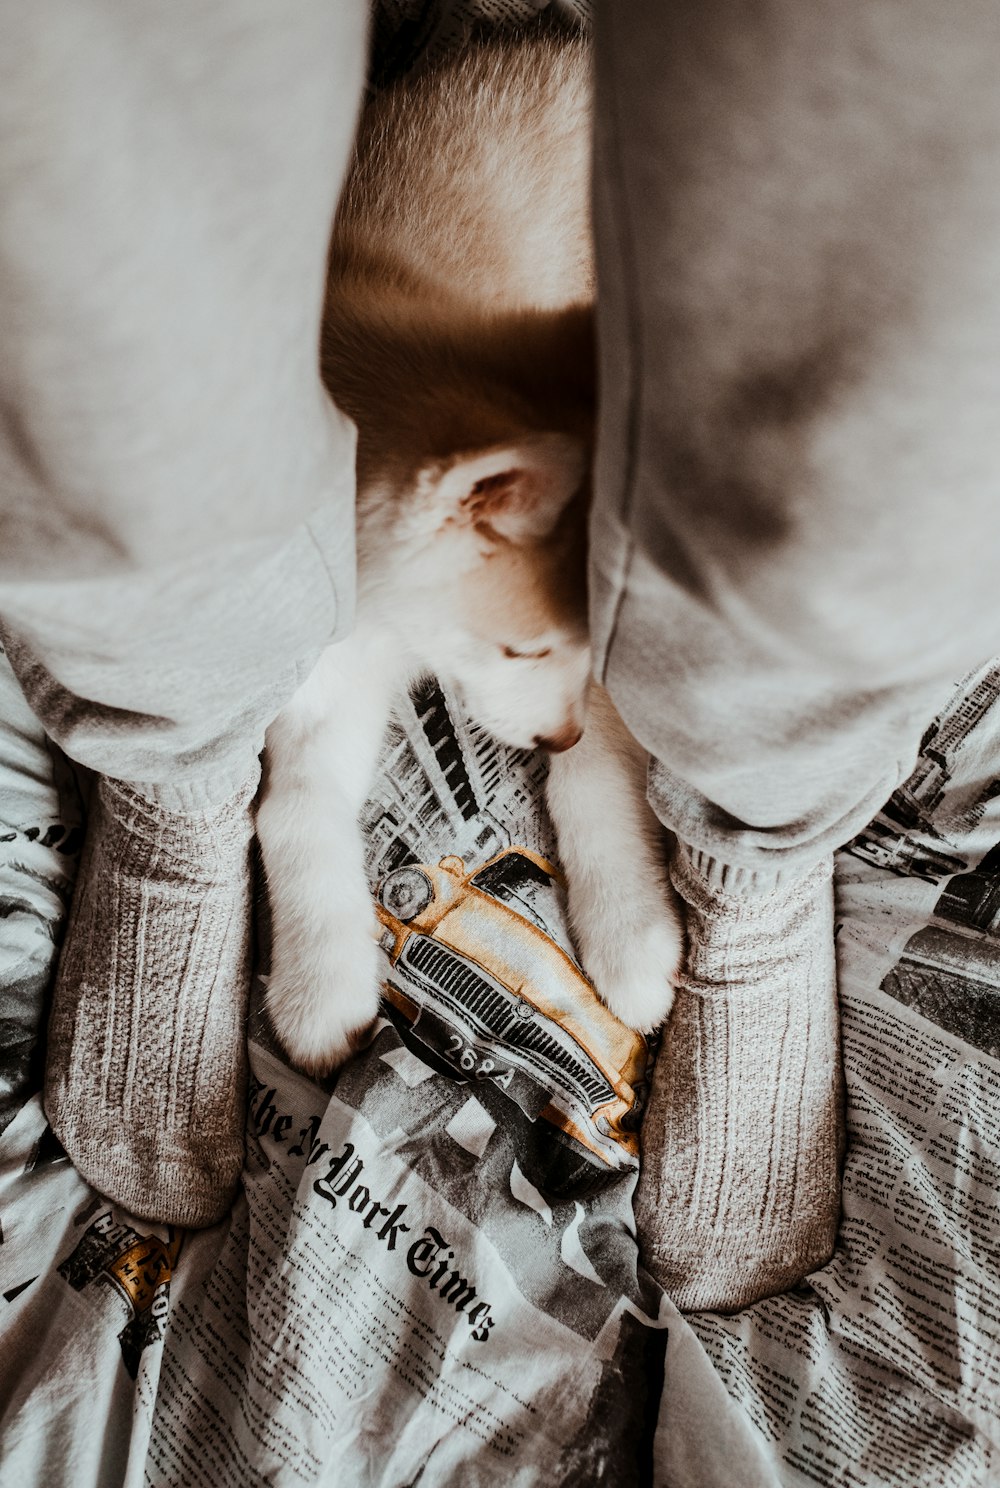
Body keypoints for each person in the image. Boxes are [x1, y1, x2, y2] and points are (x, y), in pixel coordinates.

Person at [2, 0, 998, 1311]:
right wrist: (300, 826)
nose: (547, 711)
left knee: (861, 313)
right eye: (532, 650)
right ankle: (179, 752)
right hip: (440, 266)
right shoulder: (464, 491)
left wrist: (601, 808)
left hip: (567, 204)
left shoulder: (493, 495)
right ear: (476, 495)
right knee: (114, 224)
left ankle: (756, 847)